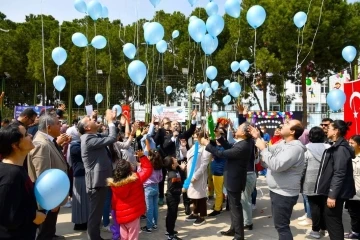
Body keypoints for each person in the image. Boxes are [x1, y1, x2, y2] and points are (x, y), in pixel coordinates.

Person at [249, 119, 306, 240]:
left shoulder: (295, 148)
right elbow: (269, 152)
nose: (283, 125)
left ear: (292, 131)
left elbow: (276, 165)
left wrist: (263, 149)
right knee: (279, 225)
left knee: (282, 226)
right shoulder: (283, 143)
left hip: (284, 193)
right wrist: (258, 137)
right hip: (277, 190)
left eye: (287, 124)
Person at [204, 122, 255, 240]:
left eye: (238, 128)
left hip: (235, 181)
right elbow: (228, 147)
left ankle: (239, 236)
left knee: (236, 208)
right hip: (233, 179)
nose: (235, 130)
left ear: (243, 133)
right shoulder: (242, 143)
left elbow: (221, 153)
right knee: (233, 207)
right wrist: (218, 137)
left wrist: (208, 144)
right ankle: (234, 229)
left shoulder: (243, 146)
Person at [27, 113, 69, 240]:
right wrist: (50, 201)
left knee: (49, 227)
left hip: (52, 196)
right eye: (58, 124)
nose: (61, 126)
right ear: (48, 127)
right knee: (44, 231)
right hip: (48, 198)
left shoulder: (47, 142)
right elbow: (42, 176)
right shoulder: (41, 144)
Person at [0, 124, 46, 239]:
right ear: (15, 145)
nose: (30, 135)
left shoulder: (18, 169)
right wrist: (34, 216)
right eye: (25, 135)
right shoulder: (11, 175)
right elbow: (8, 216)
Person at [78, 109, 117, 240]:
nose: (93, 119)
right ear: (87, 127)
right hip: (96, 183)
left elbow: (108, 135)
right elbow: (112, 138)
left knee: (97, 213)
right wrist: (110, 122)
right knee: (95, 215)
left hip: (100, 181)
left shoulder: (93, 136)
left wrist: (112, 121)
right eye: (90, 120)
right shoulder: (88, 139)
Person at [315, 120, 356, 240]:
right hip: (334, 191)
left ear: (336, 131)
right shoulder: (335, 146)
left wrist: (332, 195)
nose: (326, 129)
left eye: (330, 127)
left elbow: (339, 173)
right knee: (332, 220)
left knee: (333, 221)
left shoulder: (341, 149)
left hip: (337, 193)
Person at [107, 151, 153, 240]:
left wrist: (114, 212)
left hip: (121, 216)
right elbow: (148, 170)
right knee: (133, 237)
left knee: (124, 236)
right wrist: (142, 157)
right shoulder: (136, 179)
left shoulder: (114, 185)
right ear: (129, 170)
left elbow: (114, 201)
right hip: (134, 215)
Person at [162, 110, 197, 215]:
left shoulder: (183, 135)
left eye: (177, 124)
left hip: (183, 163)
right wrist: (173, 138)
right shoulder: (168, 137)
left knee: (185, 183)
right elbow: (165, 146)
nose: (176, 126)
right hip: (173, 164)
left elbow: (192, 129)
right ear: (171, 127)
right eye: (174, 124)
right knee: (174, 184)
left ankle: (186, 204)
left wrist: (194, 118)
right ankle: (174, 204)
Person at [302, 127, 329, 239]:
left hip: (310, 181)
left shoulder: (306, 148)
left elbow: (303, 166)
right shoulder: (328, 147)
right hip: (325, 180)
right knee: (323, 205)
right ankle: (324, 228)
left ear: (310, 136)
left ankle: (315, 230)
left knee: (314, 207)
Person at [184, 131, 212, 226]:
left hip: (199, 176)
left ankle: (202, 216)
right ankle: (195, 213)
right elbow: (187, 156)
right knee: (193, 196)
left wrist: (196, 176)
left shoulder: (206, 148)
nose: (195, 138)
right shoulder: (194, 146)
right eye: (194, 136)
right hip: (190, 174)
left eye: (197, 137)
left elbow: (204, 164)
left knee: (200, 196)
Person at [69, 129, 89, 231]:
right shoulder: (75, 146)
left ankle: (84, 221)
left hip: (83, 175)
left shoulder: (78, 145)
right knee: (80, 201)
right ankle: (80, 222)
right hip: (80, 176)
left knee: (85, 201)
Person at [163, 156, 186, 240]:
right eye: (175, 160)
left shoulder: (175, 171)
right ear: (172, 165)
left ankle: (169, 230)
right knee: (172, 215)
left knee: (171, 214)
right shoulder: (172, 175)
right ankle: (170, 235)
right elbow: (171, 188)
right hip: (172, 197)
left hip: (174, 197)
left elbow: (181, 178)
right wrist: (181, 190)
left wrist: (182, 169)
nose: (176, 160)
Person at [140, 149, 163, 233]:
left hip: (148, 188)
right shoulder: (159, 166)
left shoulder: (147, 166)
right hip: (156, 187)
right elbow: (161, 178)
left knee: (149, 208)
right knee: (155, 207)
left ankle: (149, 227)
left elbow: (141, 174)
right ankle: (155, 224)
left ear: (150, 157)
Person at [345, 135, 360, 239]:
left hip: (358, 189)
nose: (349, 145)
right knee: (353, 212)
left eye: (352, 143)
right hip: (351, 190)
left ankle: (356, 232)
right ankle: (355, 231)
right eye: (349, 143)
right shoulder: (348, 156)